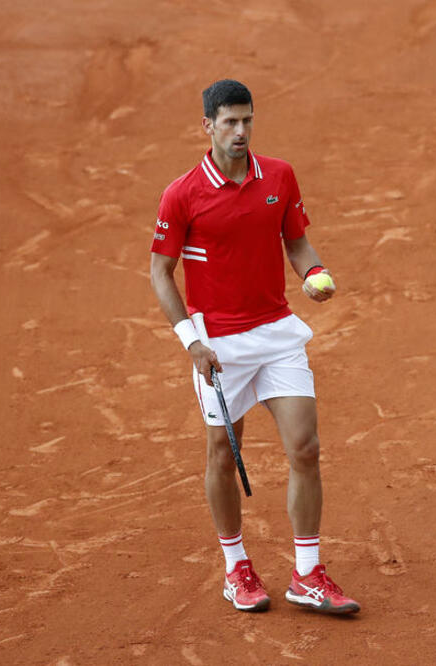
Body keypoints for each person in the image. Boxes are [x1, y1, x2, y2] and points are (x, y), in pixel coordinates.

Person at [149, 79, 359, 614]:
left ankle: (307, 575)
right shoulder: (182, 193)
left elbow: (296, 239)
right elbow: (160, 271)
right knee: (222, 451)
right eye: (229, 122)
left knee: (305, 448)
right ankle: (236, 566)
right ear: (208, 126)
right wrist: (191, 341)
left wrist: (314, 270)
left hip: (276, 333)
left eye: (247, 120)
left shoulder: (280, 176)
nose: (240, 131)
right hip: (218, 344)